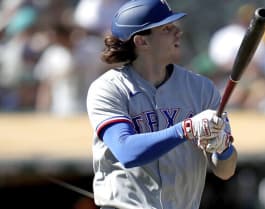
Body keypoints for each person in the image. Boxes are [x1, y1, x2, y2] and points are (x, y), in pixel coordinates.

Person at [85, 0, 238, 209]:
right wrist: (186, 128)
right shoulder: (108, 88)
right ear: (141, 42)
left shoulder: (201, 88)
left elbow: (226, 171)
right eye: (166, 28)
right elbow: (126, 151)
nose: (178, 32)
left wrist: (223, 147)